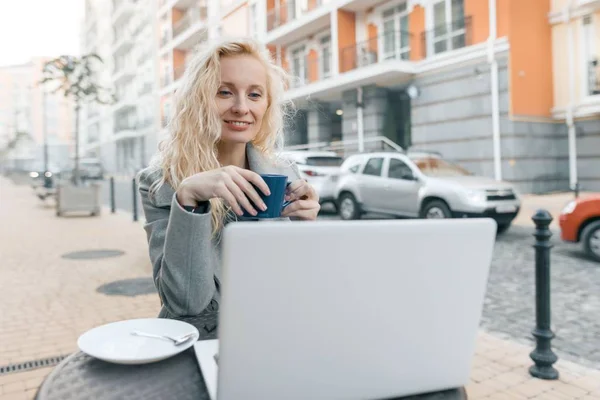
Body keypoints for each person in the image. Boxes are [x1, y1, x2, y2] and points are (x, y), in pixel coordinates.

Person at [137, 38, 320, 319]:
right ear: (199, 99)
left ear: (267, 106)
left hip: (271, 331)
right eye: (225, 92)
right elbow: (185, 303)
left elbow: (298, 283)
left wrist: (305, 230)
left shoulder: (284, 175)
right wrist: (188, 199)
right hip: (199, 344)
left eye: (255, 95)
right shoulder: (161, 182)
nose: (241, 107)